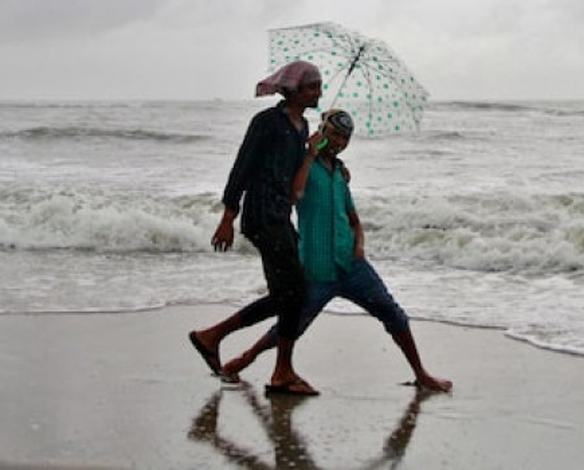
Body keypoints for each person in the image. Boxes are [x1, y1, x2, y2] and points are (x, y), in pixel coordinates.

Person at [222, 109, 452, 392]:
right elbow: (295, 195)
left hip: (352, 266)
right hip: (317, 268)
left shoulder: (341, 175)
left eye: (345, 138)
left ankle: (421, 373)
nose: (340, 142)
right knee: (293, 325)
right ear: (322, 132)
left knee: (393, 314)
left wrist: (359, 247)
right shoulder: (304, 166)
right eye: (334, 135)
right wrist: (309, 155)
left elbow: (354, 220)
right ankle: (247, 358)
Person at [188, 60, 323, 396]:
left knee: (291, 294)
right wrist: (227, 218)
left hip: (281, 216)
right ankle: (280, 371)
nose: (319, 92)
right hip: (261, 216)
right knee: (294, 293)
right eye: (312, 87)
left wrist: (314, 155)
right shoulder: (267, 122)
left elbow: (295, 184)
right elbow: (242, 168)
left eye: (319, 86)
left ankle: (214, 337)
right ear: (294, 90)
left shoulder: (302, 127)